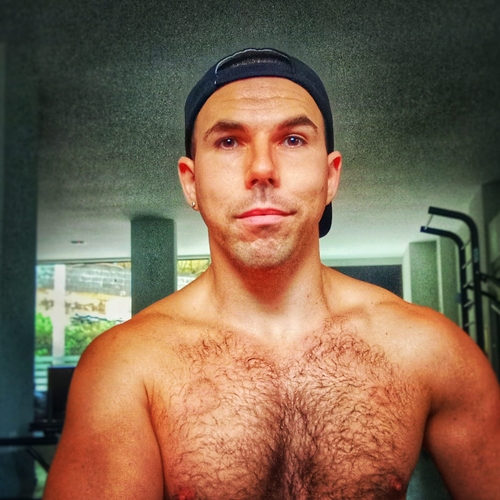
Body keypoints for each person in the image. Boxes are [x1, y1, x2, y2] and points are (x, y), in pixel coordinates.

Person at [43, 48, 500, 500]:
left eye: (293, 140)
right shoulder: (127, 366)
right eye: (228, 142)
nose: (262, 168)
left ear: (330, 177)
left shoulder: (429, 349)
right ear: (191, 182)